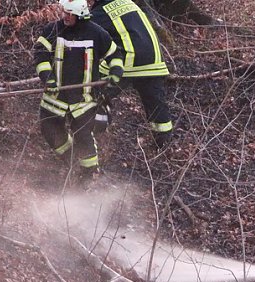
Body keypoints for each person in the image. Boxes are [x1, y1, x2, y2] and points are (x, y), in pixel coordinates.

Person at [33, 0, 123, 183]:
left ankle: (88, 175)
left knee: (83, 135)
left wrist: (115, 73)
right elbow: (40, 53)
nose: (65, 16)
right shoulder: (53, 30)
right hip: (55, 96)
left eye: (69, 14)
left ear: (80, 15)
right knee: (49, 129)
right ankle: (71, 160)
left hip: (84, 99)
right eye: (64, 12)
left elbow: (116, 55)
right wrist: (46, 77)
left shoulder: (97, 34)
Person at [89, 0, 174, 148]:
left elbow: (84, 34)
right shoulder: (128, 2)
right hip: (154, 59)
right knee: (155, 104)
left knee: (93, 92)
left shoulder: (101, 12)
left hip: (130, 58)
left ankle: (94, 134)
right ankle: (163, 145)